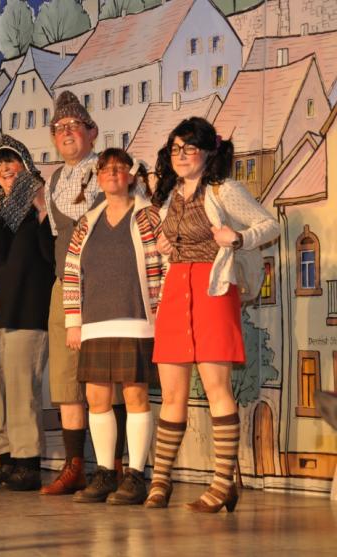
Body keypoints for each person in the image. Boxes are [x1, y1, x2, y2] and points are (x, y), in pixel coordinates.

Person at [146, 117, 279, 512]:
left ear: (207, 152)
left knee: (217, 388)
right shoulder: (168, 195)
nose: (181, 155)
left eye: (189, 148)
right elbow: (167, 238)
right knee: (172, 392)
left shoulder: (224, 189)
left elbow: (270, 224)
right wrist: (165, 244)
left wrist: (238, 237)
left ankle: (223, 483)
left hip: (213, 289)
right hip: (176, 289)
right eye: (176, 148)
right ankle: (160, 481)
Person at [63, 148, 162, 505]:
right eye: (106, 169)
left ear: (131, 176)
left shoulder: (149, 216)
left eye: (120, 168)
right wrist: (73, 322)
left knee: (135, 396)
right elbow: (72, 272)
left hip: (137, 320)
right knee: (96, 398)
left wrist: (161, 315)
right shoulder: (87, 222)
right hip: (95, 323)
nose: (112, 173)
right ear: (99, 177)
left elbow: (165, 263)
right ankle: (105, 473)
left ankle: (135, 475)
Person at [40, 91, 127, 495]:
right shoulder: (53, 181)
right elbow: (58, 237)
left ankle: (116, 466)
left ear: (92, 132)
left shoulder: (110, 172)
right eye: (60, 128)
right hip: (65, 286)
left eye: (75, 125)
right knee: (65, 380)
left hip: (105, 286)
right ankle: (74, 465)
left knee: (110, 376)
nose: (67, 133)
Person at [0, 135, 55, 492]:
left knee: (21, 388)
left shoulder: (40, 203)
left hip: (25, 307)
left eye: (11, 160)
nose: (4, 168)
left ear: (26, 165)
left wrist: (43, 212)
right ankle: (3, 459)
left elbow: (52, 256)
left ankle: (27, 463)